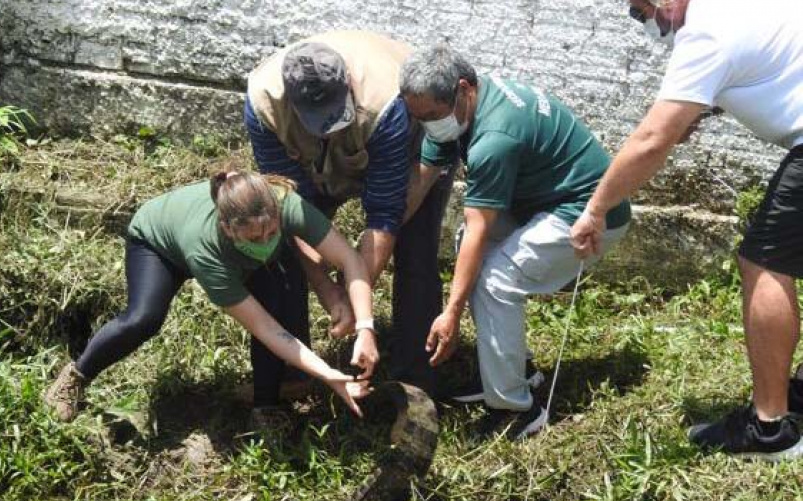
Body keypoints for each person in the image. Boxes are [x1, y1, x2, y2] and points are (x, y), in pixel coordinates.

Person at [570, 0, 803, 459]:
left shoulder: (705, 32)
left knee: (763, 260)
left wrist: (596, 208)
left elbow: (652, 139)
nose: (646, 23)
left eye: (642, 12)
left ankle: (770, 429)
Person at [399, 45, 631, 438]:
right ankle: (513, 371)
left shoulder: (495, 137)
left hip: (588, 217)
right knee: (468, 251)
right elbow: (418, 184)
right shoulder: (455, 112)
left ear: (463, 89)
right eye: (417, 118)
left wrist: (452, 313)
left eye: (431, 117)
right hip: (539, 204)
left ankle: (516, 409)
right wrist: (380, 239)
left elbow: (480, 228)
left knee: (495, 280)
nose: (426, 125)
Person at [43, 171, 378, 425]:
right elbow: (267, 330)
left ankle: (265, 406)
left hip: (231, 252)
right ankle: (75, 375)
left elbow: (350, 259)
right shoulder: (206, 250)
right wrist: (328, 375)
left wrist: (365, 327)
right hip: (158, 245)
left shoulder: (285, 203)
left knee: (275, 297)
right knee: (143, 318)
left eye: (272, 232)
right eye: (254, 236)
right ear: (228, 228)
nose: (264, 240)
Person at [245, 30, 453, 397]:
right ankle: (293, 372)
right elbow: (293, 209)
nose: (327, 127)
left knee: (415, 255)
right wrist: (327, 289)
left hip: (407, 152)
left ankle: (414, 382)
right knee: (275, 247)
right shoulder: (263, 105)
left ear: (349, 84)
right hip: (314, 168)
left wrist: (356, 303)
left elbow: (386, 215)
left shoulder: (387, 102)